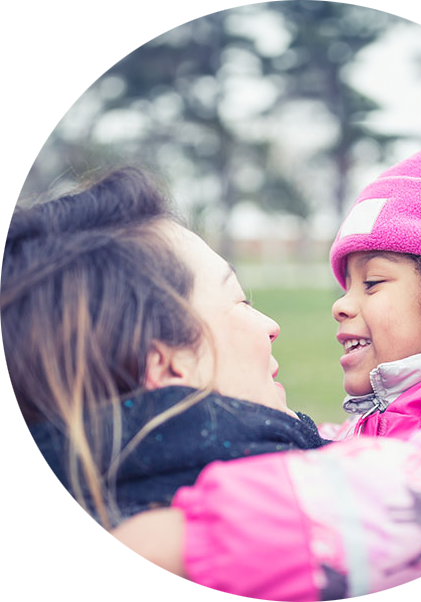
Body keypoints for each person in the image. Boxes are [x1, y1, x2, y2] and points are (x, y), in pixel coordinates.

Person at [41, 140, 421, 602]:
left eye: (373, 282)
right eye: (344, 285)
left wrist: (173, 545)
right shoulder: (397, 422)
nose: (341, 304)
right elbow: (333, 459)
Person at [0, 167, 326, 602]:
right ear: (167, 365)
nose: (271, 326)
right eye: (240, 301)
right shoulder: (283, 554)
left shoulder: (50, 560)